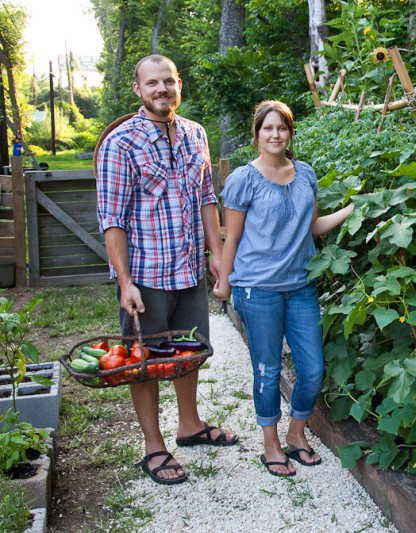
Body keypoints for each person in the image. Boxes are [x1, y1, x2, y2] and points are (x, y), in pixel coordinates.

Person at [96, 54, 238, 486]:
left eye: (169, 82)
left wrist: (216, 255)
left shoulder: (196, 134)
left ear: (179, 85)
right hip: (146, 277)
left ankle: (190, 425)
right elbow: (112, 219)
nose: (162, 90)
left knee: (189, 353)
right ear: (138, 89)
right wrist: (125, 283)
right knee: (145, 362)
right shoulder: (120, 143)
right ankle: (154, 447)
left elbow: (206, 199)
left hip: (190, 269)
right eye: (152, 83)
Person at [213, 100, 353, 477]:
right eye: (267, 128)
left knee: (312, 369)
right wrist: (224, 283)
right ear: (257, 133)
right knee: (267, 368)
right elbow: (233, 237)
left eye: (282, 128)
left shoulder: (305, 173)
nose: (275, 135)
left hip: (300, 285)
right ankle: (271, 444)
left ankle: (296, 433)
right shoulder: (244, 179)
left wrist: (353, 210)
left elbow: (310, 227)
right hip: (258, 289)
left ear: (290, 133)